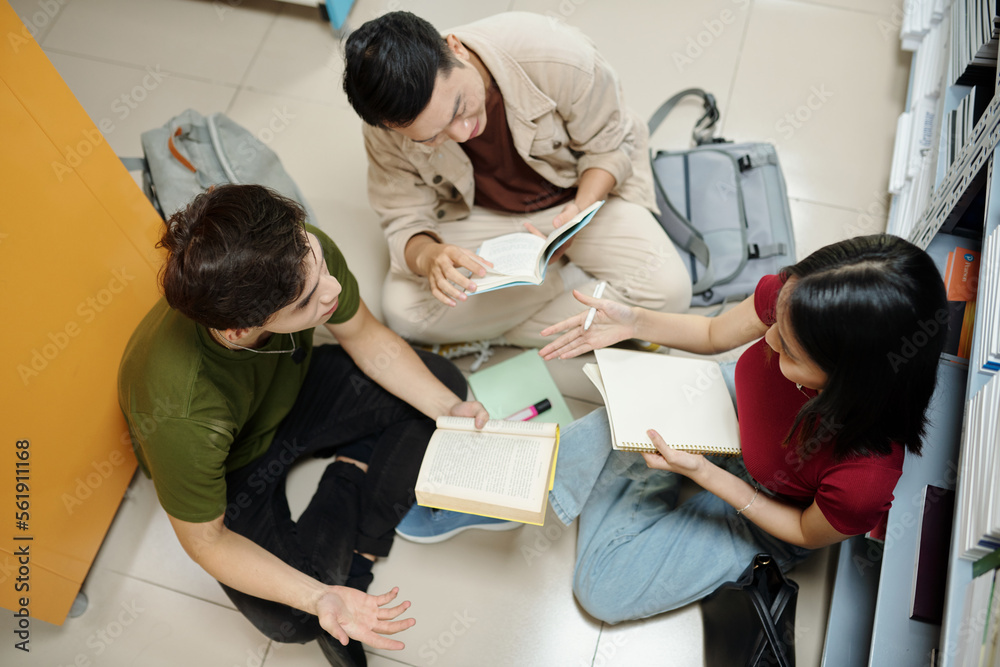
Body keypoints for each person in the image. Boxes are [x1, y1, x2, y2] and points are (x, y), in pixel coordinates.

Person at [117, 184, 491, 666]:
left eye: (320, 265)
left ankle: (358, 554)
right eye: (307, 300)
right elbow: (206, 541)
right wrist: (317, 598)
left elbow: (364, 336)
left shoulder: (295, 253)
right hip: (232, 467)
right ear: (239, 330)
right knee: (292, 620)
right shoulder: (179, 411)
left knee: (441, 386)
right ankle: (351, 513)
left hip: (291, 387)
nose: (331, 288)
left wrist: (447, 408)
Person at [532, 234, 947, 622]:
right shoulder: (798, 299)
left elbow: (804, 531)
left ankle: (631, 476)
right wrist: (635, 322)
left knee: (602, 590)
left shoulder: (865, 479)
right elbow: (714, 332)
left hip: (773, 502)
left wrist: (703, 473)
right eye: (775, 322)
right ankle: (519, 481)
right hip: (735, 405)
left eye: (787, 347)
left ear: (845, 379)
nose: (766, 338)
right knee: (610, 422)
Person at [342, 11, 691, 349]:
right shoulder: (387, 128)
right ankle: (572, 291)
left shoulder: (556, 54)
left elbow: (609, 146)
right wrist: (430, 255)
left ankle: (514, 318)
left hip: (578, 197)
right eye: (431, 137)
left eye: (460, 108)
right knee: (405, 313)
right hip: (483, 217)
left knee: (671, 290)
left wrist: (578, 215)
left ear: (456, 48)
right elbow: (405, 218)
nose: (463, 134)